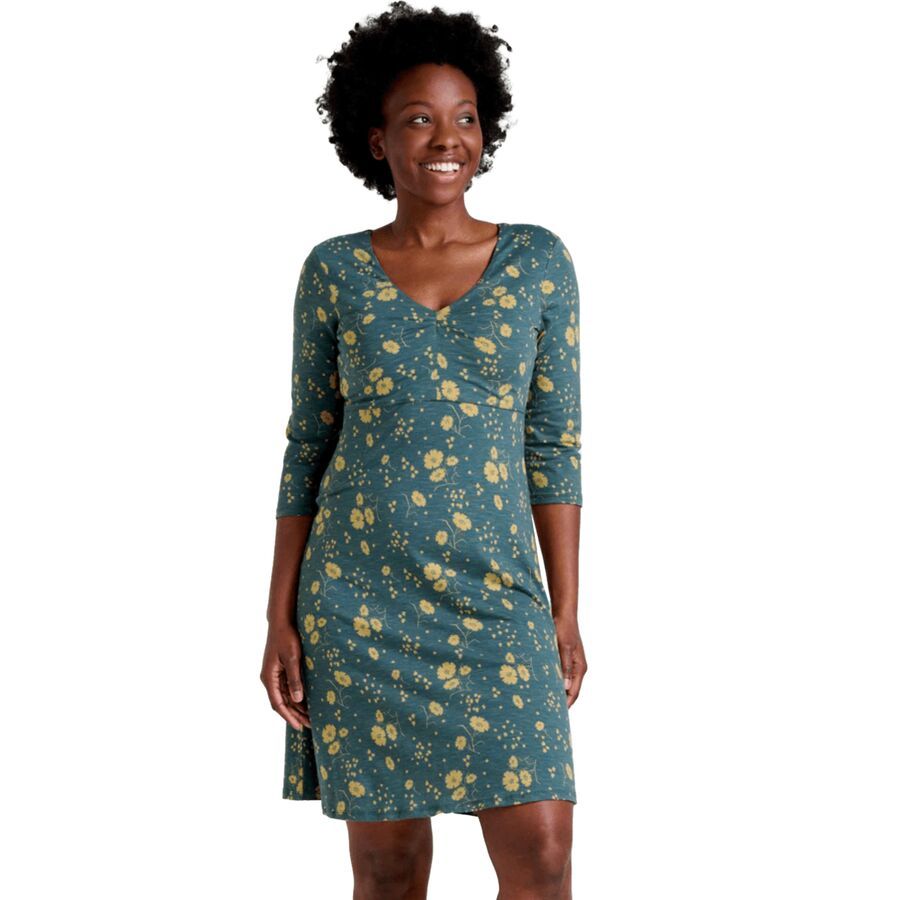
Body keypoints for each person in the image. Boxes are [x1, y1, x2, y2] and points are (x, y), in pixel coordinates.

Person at [261, 2, 587, 896]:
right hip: (359, 606)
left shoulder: (539, 260)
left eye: (465, 118)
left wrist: (563, 612)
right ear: (376, 140)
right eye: (418, 119)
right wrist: (278, 618)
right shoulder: (334, 269)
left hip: (498, 604)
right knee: (389, 868)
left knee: (543, 858)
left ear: (485, 133)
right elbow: (306, 447)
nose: (447, 139)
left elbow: (554, 447)